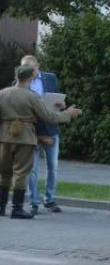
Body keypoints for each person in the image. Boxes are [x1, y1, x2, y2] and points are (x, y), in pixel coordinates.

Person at [0, 65, 82, 219]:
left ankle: (1, 207)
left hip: (4, 137)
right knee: (21, 173)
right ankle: (17, 209)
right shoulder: (32, 97)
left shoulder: (2, 94)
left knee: (4, 173)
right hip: (24, 138)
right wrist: (67, 114)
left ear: (16, 77)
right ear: (31, 78)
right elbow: (49, 117)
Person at [19, 55, 64, 214]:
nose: (29, 72)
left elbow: (58, 101)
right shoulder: (18, 84)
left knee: (53, 166)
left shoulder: (50, 78)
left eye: (32, 68)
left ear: (38, 66)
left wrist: (61, 105)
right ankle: (34, 202)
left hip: (51, 129)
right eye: (25, 68)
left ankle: (50, 199)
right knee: (32, 169)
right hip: (31, 132)